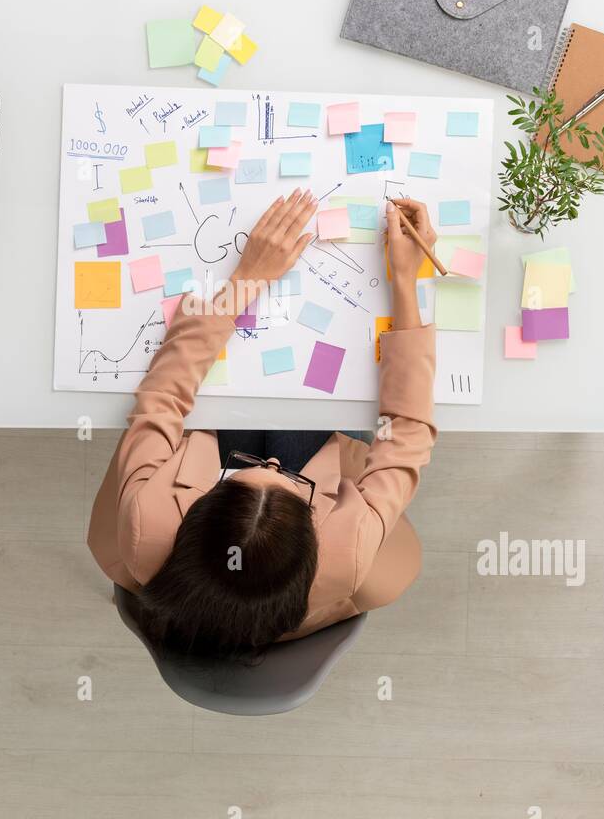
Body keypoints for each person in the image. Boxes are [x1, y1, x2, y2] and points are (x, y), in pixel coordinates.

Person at [88, 190, 437, 656]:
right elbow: (407, 433)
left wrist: (247, 279)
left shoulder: (148, 522)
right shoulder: (345, 545)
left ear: (198, 508)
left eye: (250, 471)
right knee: (295, 422)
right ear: (316, 532)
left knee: (255, 416)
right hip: (307, 564)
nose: (274, 462)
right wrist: (404, 281)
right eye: (288, 479)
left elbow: (162, 399)